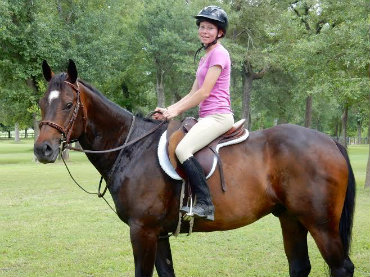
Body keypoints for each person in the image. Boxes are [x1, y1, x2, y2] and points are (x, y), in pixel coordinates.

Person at [154, 6, 233, 221]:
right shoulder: (205, 56)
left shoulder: (219, 54)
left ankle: (206, 204)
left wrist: (174, 112)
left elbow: (205, 92)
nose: (204, 31)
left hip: (218, 116)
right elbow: (193, 93)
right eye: (202, 27)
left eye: (210, 28)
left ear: (220, 32)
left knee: (183, 149)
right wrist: (169, 110)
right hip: (206, 116)